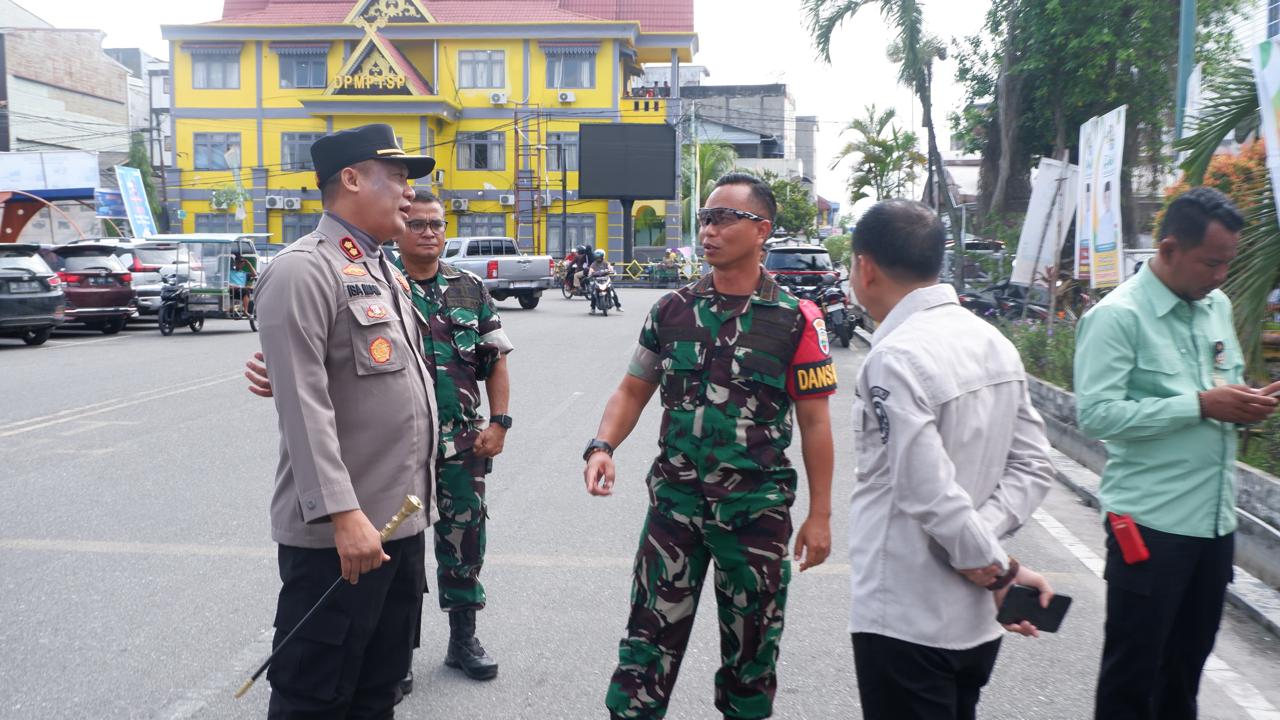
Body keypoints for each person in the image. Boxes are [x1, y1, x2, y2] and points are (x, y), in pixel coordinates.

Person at [583, 172, 836, 720]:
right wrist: (602, 445)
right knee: (645, 647)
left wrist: (820, 516)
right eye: (705, 218)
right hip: (673, 510)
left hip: (755, 517)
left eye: (724, 218)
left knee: (751, 656)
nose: (709, 230)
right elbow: (632, 390)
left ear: (762, 229)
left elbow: (816, 425)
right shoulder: (671, 311)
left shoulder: (795, 319)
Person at [246, 188, 515, 691]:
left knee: (464, 542)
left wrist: (499, 421)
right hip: (392, 455)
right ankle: (399, 653)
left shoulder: (465, 287)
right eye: (419, 222)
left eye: (437, 224)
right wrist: (279, 374)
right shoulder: (368, 276)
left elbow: (494, 358)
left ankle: (463, 637)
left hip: (460, 445)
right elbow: (314, 355)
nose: (429, 231)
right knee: (397, 555)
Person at [252, 123, 438, 718]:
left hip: (398, 527)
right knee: (315, 697)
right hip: (343, 537)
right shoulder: (302, 269)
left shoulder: (382, 270)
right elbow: (304, 406)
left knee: (378, 689)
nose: (409, 194)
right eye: (399, 178)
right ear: (351, 179)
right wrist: (343, 514)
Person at [844, 199, 1057, 720]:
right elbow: (1035, 465)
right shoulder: (994, 342)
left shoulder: (895, 357)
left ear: (865, 266)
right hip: (976, 620)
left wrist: (999, 570)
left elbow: (925, 491)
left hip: (906, 617)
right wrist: (991, 555)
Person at [1076, 186, 1280, 720]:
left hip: (1213, 525)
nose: (1220, 276)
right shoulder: (1117, 317)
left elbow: (1216, 387)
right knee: (1133, 680)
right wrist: (1200, 405)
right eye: (1211, 262)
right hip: (1150, 526)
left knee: (1185, 672)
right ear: (1167, 250)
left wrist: (1244, 403)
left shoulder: (1216, 306)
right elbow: (1096, 416)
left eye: (1228, 264)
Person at [587, 248, 622, 313]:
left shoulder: (606, 263)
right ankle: (592, 308)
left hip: (606, 280)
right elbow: (590, 271)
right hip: (597, 280)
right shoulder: (593, 264)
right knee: (593, 293)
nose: (598, 259)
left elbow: (610, 269)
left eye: (600, 257)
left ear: (603, 257)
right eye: (597, 257)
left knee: (613, 293)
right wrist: (590, 275)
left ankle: (618, 306)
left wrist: (613, 272)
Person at [229, 251, 257, 317]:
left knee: (248, 291)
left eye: (242, 263)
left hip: (241, 291)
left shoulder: (244, 273)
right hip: (231, 290)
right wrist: (239, 287)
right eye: (238, 262)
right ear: (235, 263)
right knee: (245, 290)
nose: (240, 264)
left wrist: (248, 263)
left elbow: (254, 274)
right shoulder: (230, 272)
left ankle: (245, 311)